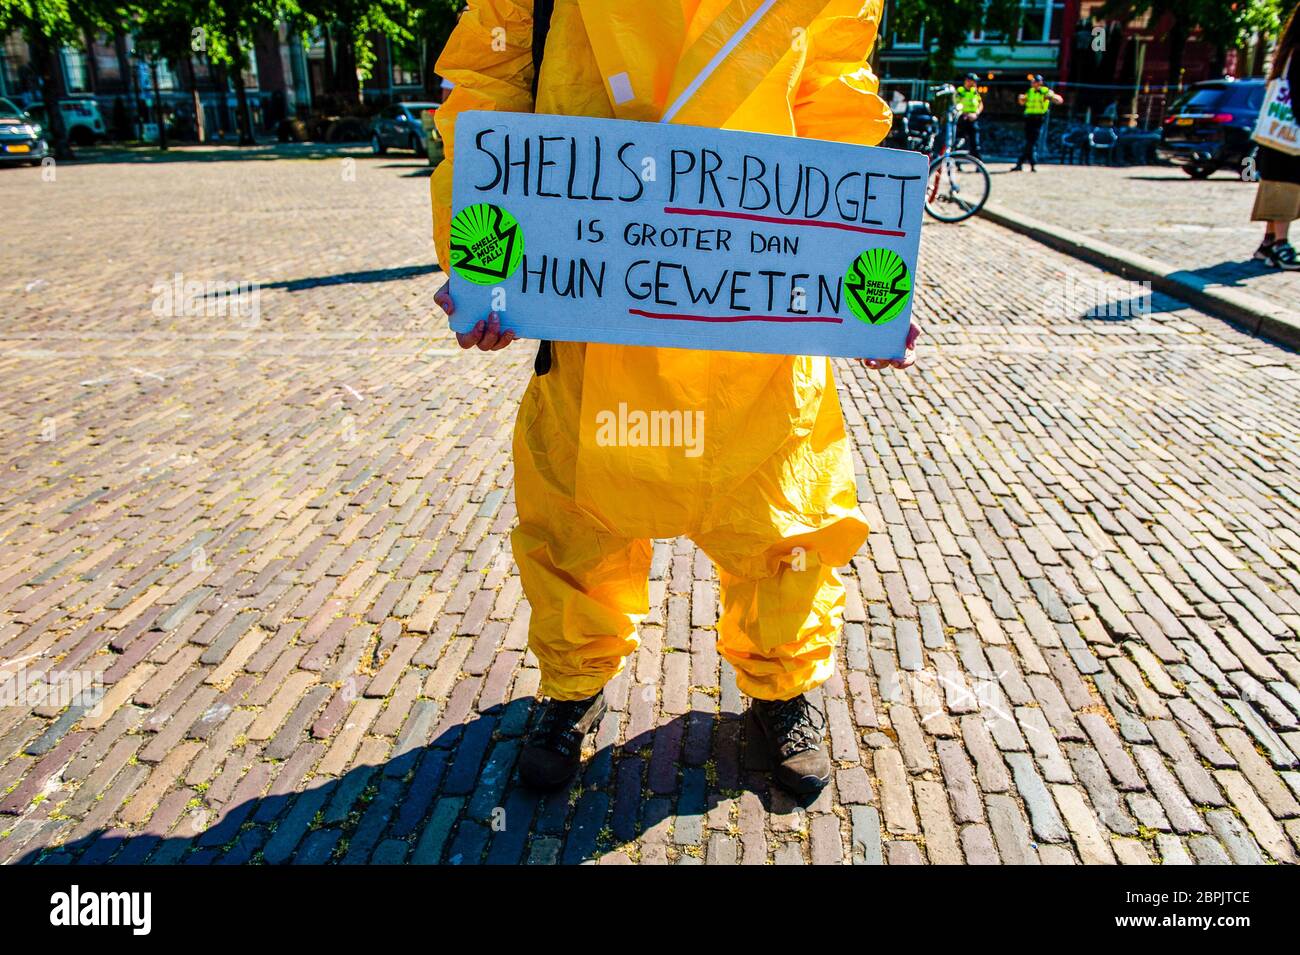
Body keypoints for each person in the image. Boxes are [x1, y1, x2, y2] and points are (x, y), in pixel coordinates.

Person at [430, 0, 923, 795]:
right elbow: (489, 80)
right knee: (574, 516)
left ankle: (781, 686)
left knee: (782, 514)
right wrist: (480, 255)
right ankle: (572, 685)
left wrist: (859, 282)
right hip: (595, 301)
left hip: (756, 303)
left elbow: (833, 95)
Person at [1252, 6, 1300, 271]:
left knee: (1274, 185)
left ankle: (1268, 241)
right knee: (1287, 187)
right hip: (1291, 137)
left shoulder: (1287, 52)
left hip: (1274, 136)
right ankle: (1281, 244)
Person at [1011, 74, 1063, 171]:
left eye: (1035, 81)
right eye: (1032, 81)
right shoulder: (1030, 91)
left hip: (1038, 119)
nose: (1032, 83)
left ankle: (1021, 162)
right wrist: (1020, 98)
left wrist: (1051, 97)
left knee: (1031, 142)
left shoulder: (1045, 91)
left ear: (1040, 82)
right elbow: (1022, 102)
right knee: (1030, 142)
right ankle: (1031, 164)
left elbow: (1059, 100)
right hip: (1028, 119)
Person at [954, 72, 983, 158]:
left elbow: (980, 103)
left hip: (973, 119)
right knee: (958, 142)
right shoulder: (960, 91)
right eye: (974, 81)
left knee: (975, 144)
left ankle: (978, 164)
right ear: (967, 81)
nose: (975, 83)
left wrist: (976, 113)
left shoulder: (974, 91)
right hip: (962, 119)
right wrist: (964, 114)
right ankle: (956, 163)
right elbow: (955, 104)